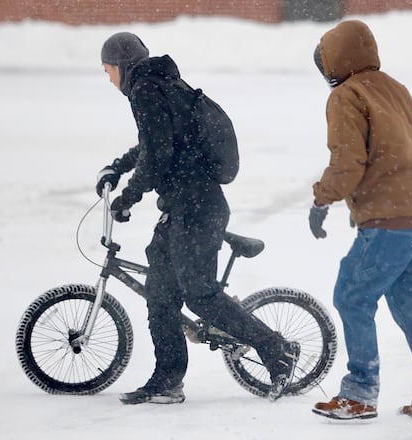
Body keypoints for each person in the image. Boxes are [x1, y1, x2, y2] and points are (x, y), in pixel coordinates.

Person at [95, 32, 299, 405]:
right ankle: (168, 380)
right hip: (183, 206)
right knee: (160, 295)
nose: (109, 80)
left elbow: (156, 155)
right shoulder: (161, 85)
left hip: (196, 207)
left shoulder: (146, 90)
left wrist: (127, 197)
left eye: (108, 71)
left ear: (123, 67)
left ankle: (277, 351)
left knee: (199, 295)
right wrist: (117, 168)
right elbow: (152, 144)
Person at [307, 20, 412, 420]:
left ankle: (359, 393)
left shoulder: (347, 96)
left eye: (325, 62)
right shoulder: (395, 88)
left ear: (337, 60)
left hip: (389, 220)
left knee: (352, 296)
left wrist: (322, 200)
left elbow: (348, 160)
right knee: (410, 307)